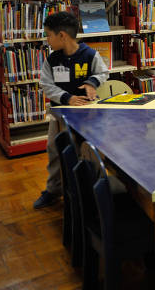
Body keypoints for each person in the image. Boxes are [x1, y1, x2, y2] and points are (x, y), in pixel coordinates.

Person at [34, 11, 109, 209]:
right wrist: (68, 98)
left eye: (48, 35)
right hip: (61, 114)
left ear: (62, 36)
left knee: (93, 150)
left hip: (88, 114)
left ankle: (96, 188)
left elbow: (103, 72)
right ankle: (53, 190)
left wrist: (92, 83)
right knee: (54, 148)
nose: (47, 39)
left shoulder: (90, 54)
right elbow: (46, 85)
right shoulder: (52, 60)